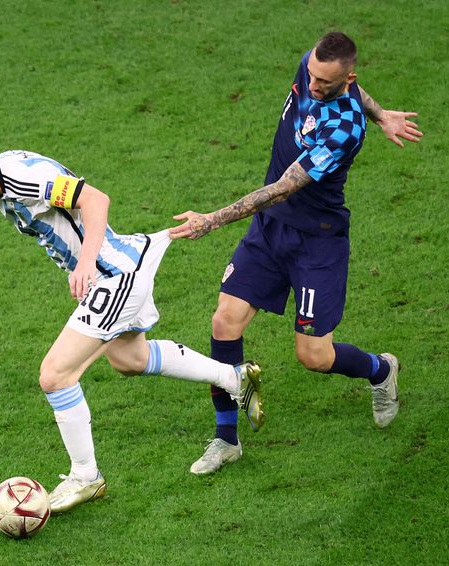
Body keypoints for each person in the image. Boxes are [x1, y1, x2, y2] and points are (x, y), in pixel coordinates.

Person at [0, 140, 262, 512]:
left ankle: (86, 477)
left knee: (55, 375)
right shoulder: (1, 179)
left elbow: (95, 200)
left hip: (113, 277)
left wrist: (85, 264)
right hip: (115, 267)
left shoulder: (22, 178)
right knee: (130, 359)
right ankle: (236, 378)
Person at [169, 32, 423, 475]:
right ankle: (226, 439)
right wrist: (383, 113)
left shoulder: (344, 128)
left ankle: (380, 370)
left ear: (347, 79)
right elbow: (354, 89)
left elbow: (284, 188)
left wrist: (212, 219)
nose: (313, 85)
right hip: (271, 233)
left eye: (325, 83)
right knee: (223, 321)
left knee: (314, 356)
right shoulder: (313, 66)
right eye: (312, 75)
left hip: (316, 242)